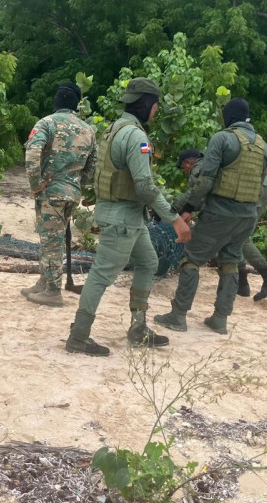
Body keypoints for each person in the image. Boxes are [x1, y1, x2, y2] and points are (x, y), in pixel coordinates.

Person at [65, 78, 191, 357]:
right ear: (147, 105)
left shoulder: (114, 129)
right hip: (122, 218)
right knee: (101, 275)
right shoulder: (136, 136)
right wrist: (175, 219)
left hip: (128, 216)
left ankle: (138, 328)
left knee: (148, 262)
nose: (156, 112)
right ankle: (78, 336)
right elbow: (144, 186)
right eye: (155, 106)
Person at [155, 97, 267, 335]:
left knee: (191, 259)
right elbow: (260, 184)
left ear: (228, 117)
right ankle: (220, 320)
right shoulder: (264, 147)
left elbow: (206, 180)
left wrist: (188, 209)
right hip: (247, 215)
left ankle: (178, 315)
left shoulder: (223, 138)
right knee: (230, 262)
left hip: (220, 212)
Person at [174, 148, 267, 303]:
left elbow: (196, 192)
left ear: (188, 162)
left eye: (183, 167)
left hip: (253, 189)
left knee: (240, 236)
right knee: (236, 233)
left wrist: (174, 208)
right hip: (260, 186)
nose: (184, 171)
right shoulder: (214, 160)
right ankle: (242, 284)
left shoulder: (198, 167)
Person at [22, 82, 97, 306]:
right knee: (52, 238)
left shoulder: (46, 123)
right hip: (72, 192)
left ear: (57, 101)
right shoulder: (88, 130)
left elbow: (32, 153)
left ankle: (53, 290)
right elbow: (92, 164)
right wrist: (78, 184)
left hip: (50, 191)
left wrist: (36, 184)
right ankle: (44, 283)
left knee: (50, 241)